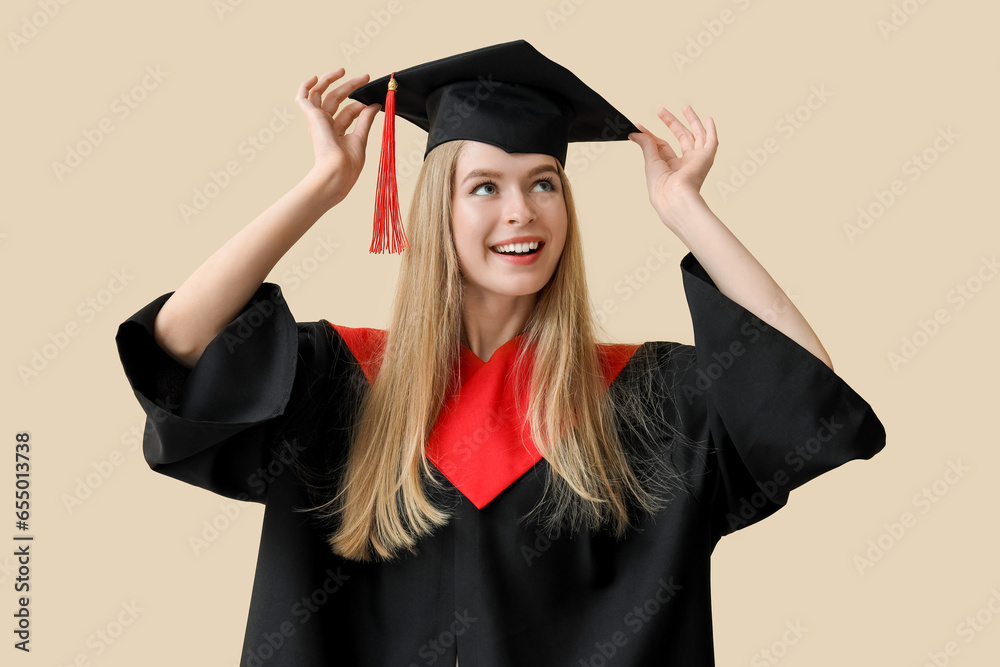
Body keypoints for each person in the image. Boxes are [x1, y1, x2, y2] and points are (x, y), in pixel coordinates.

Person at [115, 39, 886, 666]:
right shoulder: (336, 383)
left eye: (543, 183)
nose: (522, 211)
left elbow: (803, 395)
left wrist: (686, 208)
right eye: (484, 186)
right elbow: (180, 348)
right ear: (437, 209)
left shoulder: (649, 400)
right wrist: (319, 188)